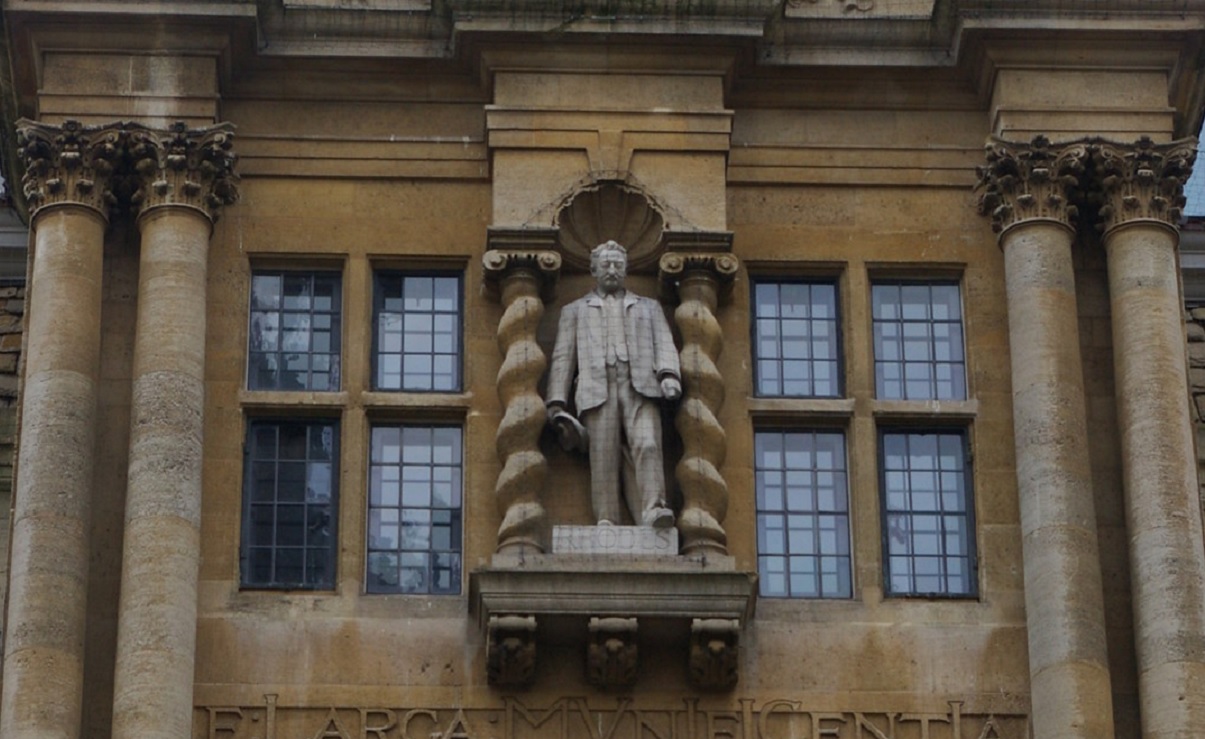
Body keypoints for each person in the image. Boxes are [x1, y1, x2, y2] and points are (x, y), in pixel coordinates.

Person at [546, 240, 682, 528]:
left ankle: (654, 508)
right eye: (606, 265)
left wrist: (669, 375)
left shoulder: (649, 307)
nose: (612, 270)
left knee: (648, 444)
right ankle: (607, 518)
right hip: (597, 388)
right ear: (594, 269)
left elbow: (665, 343)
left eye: (618, 265)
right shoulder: (575, 310)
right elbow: (563, 357)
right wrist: (556, 402)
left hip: (641, 386)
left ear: (626, 269)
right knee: (603, 456)